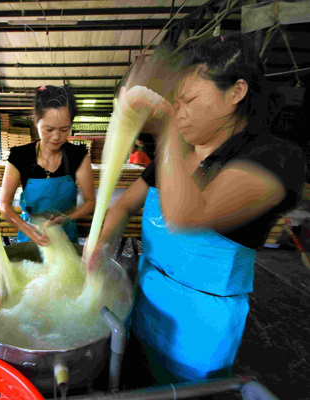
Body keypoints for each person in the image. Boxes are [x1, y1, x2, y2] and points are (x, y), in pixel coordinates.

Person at [88, 34, 306, 383]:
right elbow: (125, 205)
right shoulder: (174, 157)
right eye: (175, 102)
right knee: (135, 378)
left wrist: (166, 128)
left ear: (236, 92)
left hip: (199, 327)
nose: (180, 111)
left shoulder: (273, 157)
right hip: (148, 301)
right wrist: (100, 244)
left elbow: (188, 214)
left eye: (188, 100)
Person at [0, 85, 96, 246]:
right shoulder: (20, 156)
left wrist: (65, 219)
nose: (57, 137)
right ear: (36, 122)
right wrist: (30, 231)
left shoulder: (78, 156)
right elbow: (4, 205)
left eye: (64, 129)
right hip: (31, 233)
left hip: (65, 235)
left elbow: (90, 202)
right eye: (49, 129)